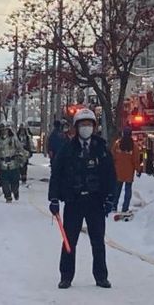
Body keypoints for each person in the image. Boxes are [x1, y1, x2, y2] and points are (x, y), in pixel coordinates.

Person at [48, 108, 117, 290]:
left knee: (98, 241)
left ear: (94, 127)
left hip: (95, 202)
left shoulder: (101, 149)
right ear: (76, 127)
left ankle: (101, 277)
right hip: (74, 202)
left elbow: (110, 175)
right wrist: (54, 198)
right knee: (69, 241)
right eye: (82, 125)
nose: (86, 128)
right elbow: (56, 174)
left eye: (89, 124)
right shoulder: (67, 149)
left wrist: (111, 198)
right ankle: (66, 277)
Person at [110, 126, 142, 214]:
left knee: (116, 190)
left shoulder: (117, 144)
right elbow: (136, 160)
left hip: (118, 172)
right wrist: (138, 170)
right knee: (128, 191)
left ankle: (113, 206)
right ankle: (125, 208)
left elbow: (112, 156)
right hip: (128, 173)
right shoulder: (134, 146)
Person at [0, 124, 25, 202]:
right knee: (4, 181)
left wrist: (20, 157)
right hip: (2, 164)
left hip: (13, 163)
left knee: (15, 181)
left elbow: (20, 149)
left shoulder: (13, 139)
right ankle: (8, 196)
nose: (4, 131)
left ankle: (15, 192)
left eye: (5, 130)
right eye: (2, 130)